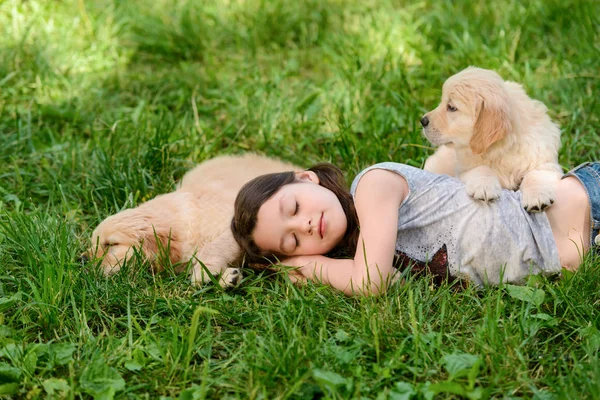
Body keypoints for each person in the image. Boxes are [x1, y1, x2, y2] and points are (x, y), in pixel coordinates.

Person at [231, 161, 596, 296]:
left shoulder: (372, 185)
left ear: (308, 178)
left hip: (585, 204)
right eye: (292, 240)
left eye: (294, 207)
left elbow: (369, 283)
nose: (306, 225)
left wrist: (305, 265)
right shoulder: (365, 249)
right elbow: (390, 282)